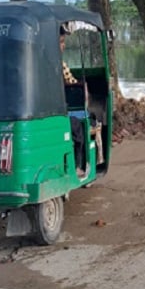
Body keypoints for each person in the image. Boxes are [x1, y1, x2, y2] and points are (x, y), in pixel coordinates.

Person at [60, 23, 87, 177]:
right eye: (61, 42)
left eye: (64, 42)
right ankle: (77, 166)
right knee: (78, 128)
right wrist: (80, 84)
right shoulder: (59, 64)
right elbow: (71, 83)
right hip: (58, 112)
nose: (63, 46)